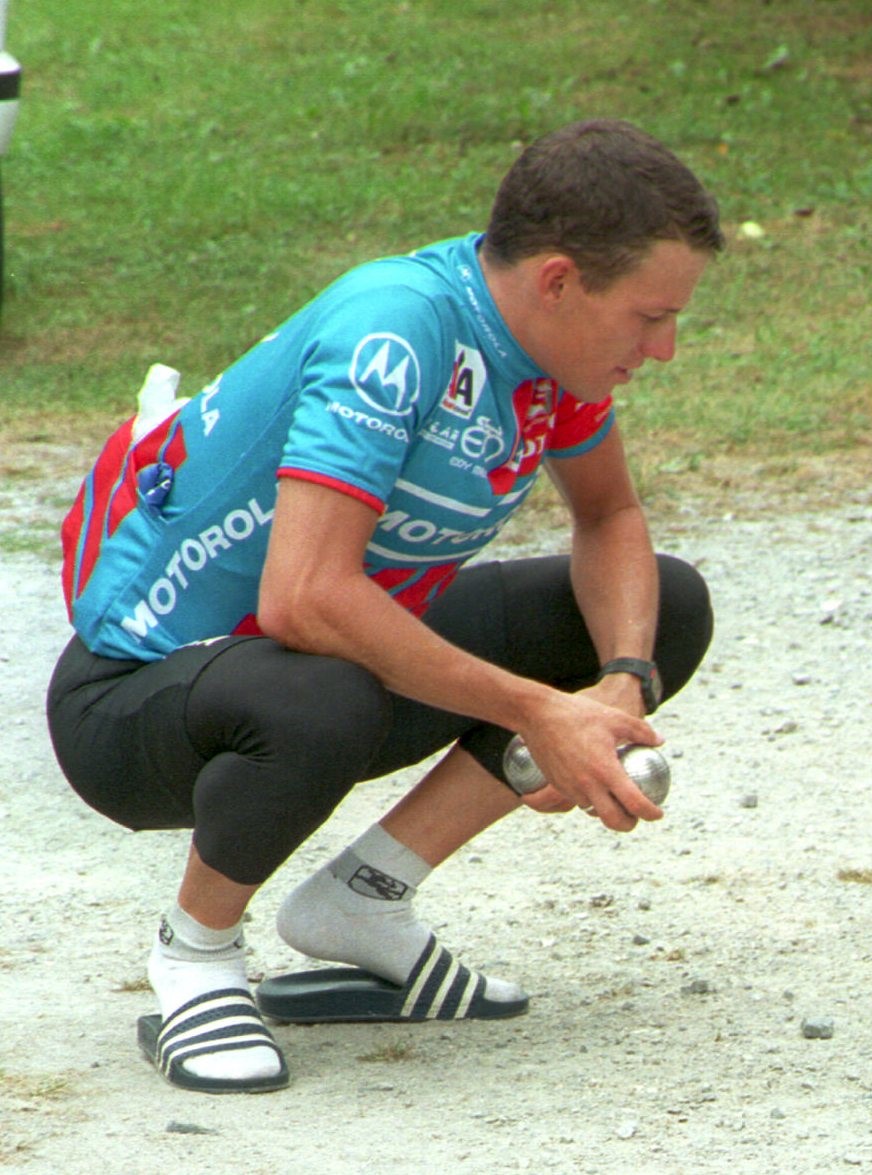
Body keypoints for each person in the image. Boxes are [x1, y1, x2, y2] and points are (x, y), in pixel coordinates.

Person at [46, 119, 722, 1094]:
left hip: (324, 674)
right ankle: (195, 953)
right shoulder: (394, 331)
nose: (662, 348)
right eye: (650, 316)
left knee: (670, 606)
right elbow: (307, 599)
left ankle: (361, 903)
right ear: (560, 281)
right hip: (137, 700)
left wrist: (620, 680)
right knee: (322, 688)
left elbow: (609, 515)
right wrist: (538, 710)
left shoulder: (553, 363)